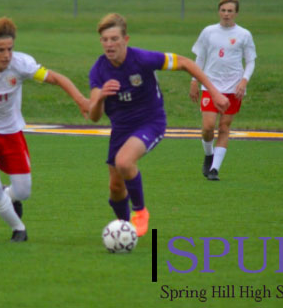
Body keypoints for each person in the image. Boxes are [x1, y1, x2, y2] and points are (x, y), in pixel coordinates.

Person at [0, 17, 89, 242]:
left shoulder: (21, 64)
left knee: (23, 192)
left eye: (10, 49)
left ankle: (7, 196)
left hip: (12, 134)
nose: (6, 55)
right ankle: (18, 228)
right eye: (0, 50)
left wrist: (81, 100)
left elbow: (56, 78)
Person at [88, 13, 229, 237]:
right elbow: (94, 116)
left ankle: (140, 211)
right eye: (105, 40)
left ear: (126, 39)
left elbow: (185, 62)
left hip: (149, 121)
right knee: (115, 188)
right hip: (121, 129)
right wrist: (100, 97)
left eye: (114, 38)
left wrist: (214, 92)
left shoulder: (142, 59)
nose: (109, 44)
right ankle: (126, 230)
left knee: (124, 162)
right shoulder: (99, 70)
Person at [190, 0, 257, 181]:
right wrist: (194, 81)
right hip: (210, 87)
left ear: (236, 13)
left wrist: (244, 81)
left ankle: (214, 170)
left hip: (233, 88)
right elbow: (200, 58)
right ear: (219, 11)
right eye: (224, 10)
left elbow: (250, 61)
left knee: (224, 127)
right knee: (208, 127)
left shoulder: (244, 34)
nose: (226, 14)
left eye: (230, 11)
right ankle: (208, 154)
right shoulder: (208, 32)